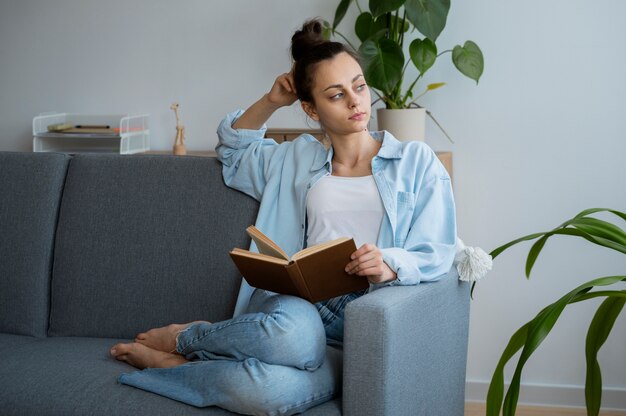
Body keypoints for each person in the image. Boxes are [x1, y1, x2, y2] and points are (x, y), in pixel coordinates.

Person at [110, 18, 457, 415]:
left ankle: (176, 358)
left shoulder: (415, 161)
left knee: (267, 392)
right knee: (294, 338)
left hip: (363, 322)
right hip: (297, 309)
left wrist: (390, 263)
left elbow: (438, 248)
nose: (356, 102)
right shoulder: (297, 158)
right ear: (311, 108)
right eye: (336, 95)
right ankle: (186, 339)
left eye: (359, 86)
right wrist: (272, 101)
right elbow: (234, 150)